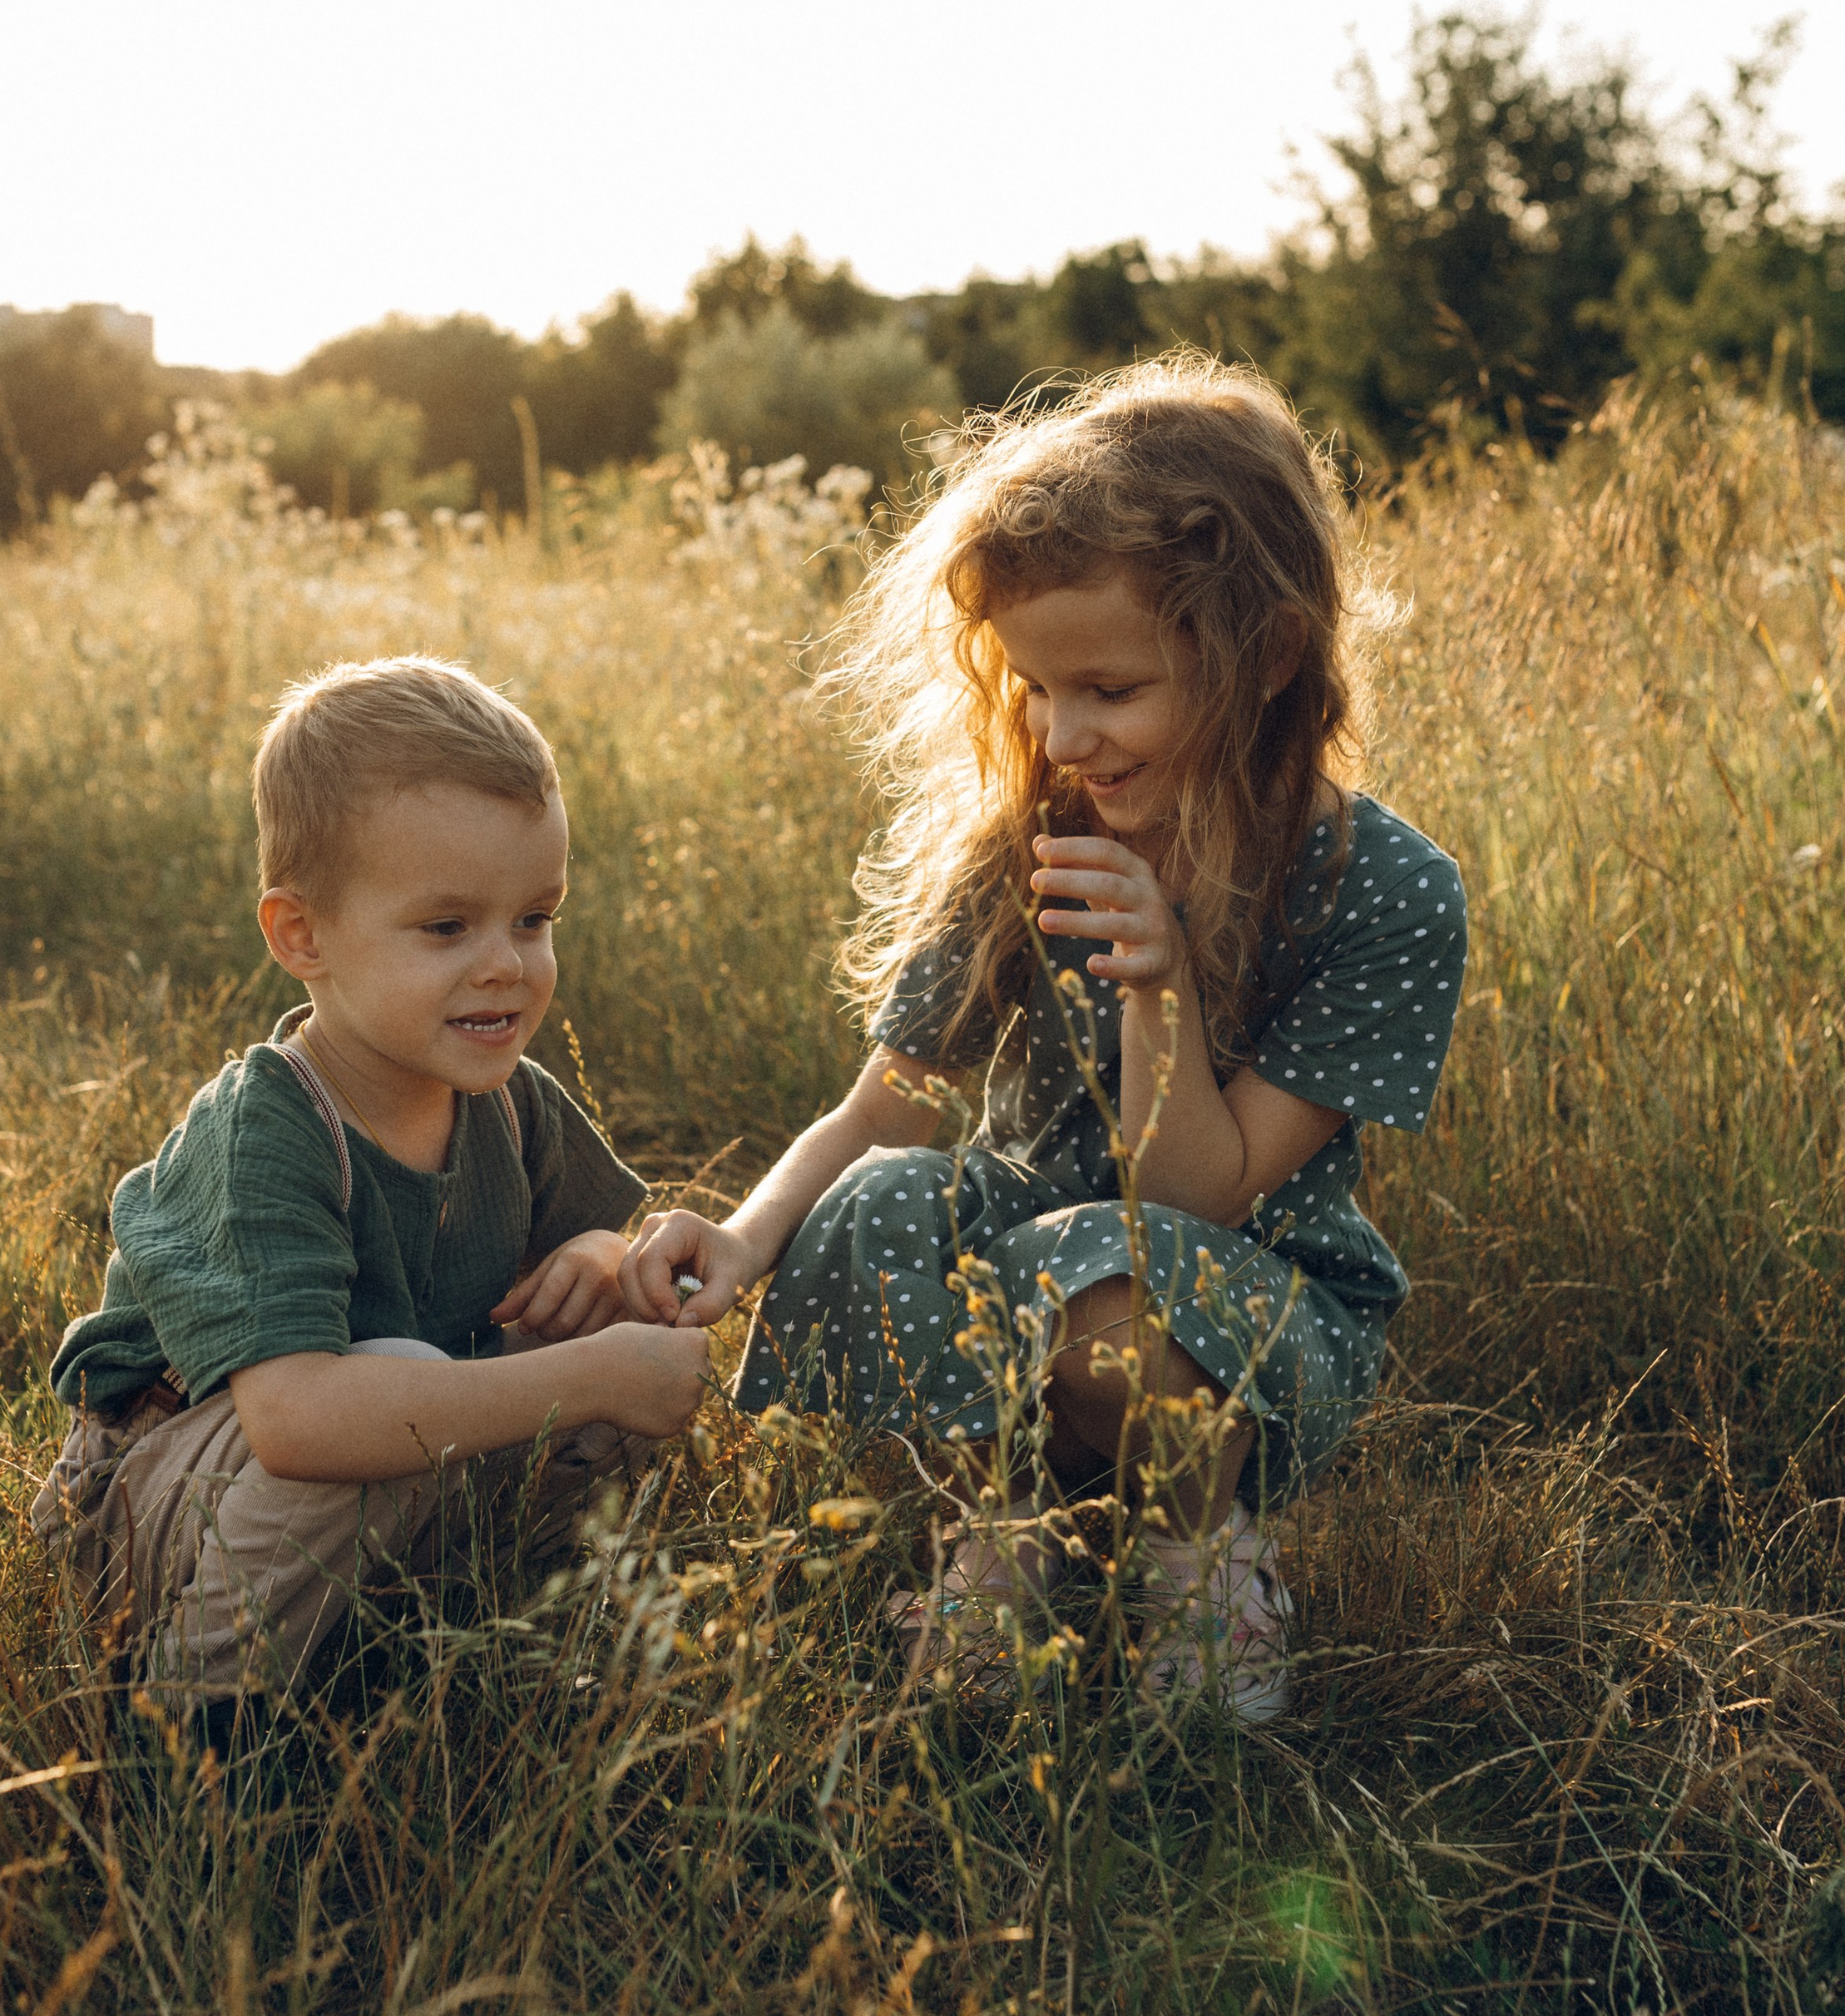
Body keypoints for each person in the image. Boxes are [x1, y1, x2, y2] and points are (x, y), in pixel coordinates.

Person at [622, 363, 1467, 1721]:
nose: (1065, 736)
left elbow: (1197, 1193)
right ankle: (1002, 1542)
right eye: (1033, 688)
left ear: (1267, 656)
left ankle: (1204, 1569)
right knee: (881, 1199)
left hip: (1242, 1317)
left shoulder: (1385, 890)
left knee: (1115, 1286)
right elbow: (886, 1105)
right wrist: (739, 1238)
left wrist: (1159, 981)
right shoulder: (1027, 843)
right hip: (1025, 1295)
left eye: (1110, 690)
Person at [37, 656, 709, 1717]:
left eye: (534, 919)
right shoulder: (268, 1128)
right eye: (446, 928)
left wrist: (593, 1262)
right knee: (424, 1378)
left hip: (366, 1487)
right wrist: (594, 1376)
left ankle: (498, 1639)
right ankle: (196, 1726)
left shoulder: (506, 1098)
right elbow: (304, 1422)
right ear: (302, 937)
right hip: (163, 1508)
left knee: (619, 1325)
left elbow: (589, 1243)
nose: (506, 965)